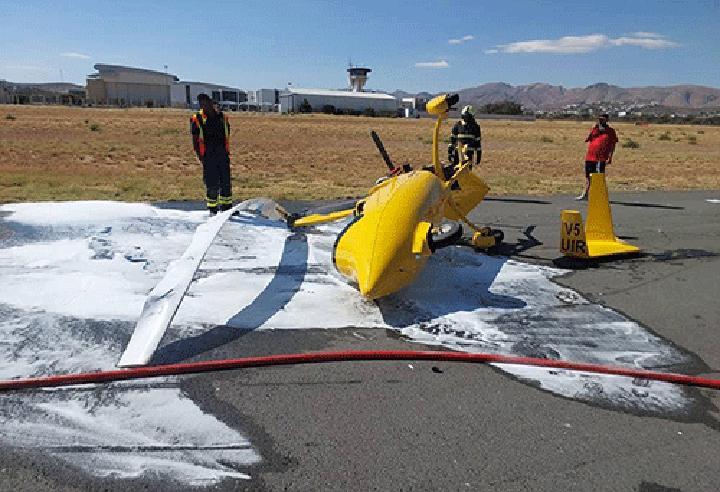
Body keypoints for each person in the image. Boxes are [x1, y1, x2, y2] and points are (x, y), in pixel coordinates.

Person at [190, 93, 232, 215]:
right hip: (209, 155)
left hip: (222, 154)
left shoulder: (222, 117)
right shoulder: (197, 119)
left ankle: (227, 208)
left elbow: (227, 133)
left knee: (226, 182)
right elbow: (195, 140)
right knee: (212, 184)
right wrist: (201, 157)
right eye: (202, 104)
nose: (205, 106)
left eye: (207, 103)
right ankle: (212, 209)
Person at [577, 113, 618, 200]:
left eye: (602, 119)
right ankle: (586, 194)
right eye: (599, 119)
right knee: (588, 176)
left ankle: (599, 195)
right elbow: (588, 139)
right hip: (590, 156)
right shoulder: (595, 129)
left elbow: (613, 145)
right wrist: (595, 130)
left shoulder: (610, 131)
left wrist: (610, 157)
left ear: (606, 120)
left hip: (601, 157)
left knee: (598, 176)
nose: (600, 121)